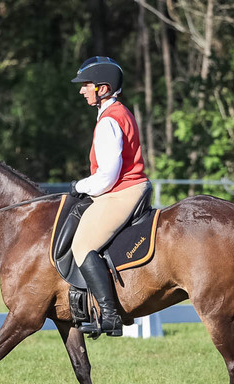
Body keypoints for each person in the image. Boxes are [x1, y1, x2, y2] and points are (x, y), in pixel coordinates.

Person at [69, 56, 151, 337]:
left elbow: (107, 176)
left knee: (82, 246)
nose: (82, 91)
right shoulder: (118, 112)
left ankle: (110, 314)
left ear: (102, 88)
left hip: (121, 192)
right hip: (128, 188)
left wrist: (79, 186)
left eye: (86, 86)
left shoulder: (108, 121)